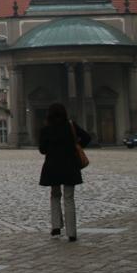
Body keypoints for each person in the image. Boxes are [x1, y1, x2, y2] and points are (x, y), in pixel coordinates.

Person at [39, 102, 91, 242]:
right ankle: (72, 232)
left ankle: (56, 227)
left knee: (55, 195)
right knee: (69, 198)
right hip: (69, 166)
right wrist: (76, 147)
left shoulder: (46, 129)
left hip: (52, 167)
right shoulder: (70, 126)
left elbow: (42, 149)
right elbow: (87, 137)